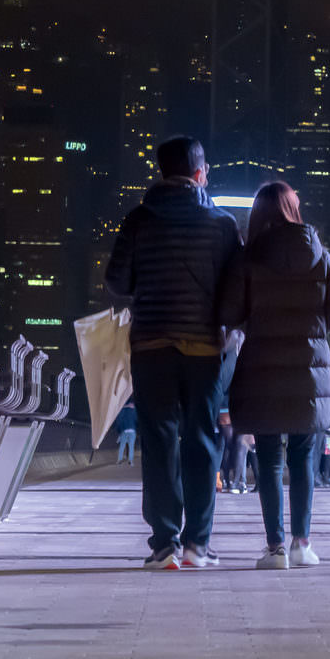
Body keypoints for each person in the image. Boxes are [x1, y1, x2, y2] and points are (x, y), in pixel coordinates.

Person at [105, 136, 240, 570]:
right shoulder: (221, 223)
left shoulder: (138, 220)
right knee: (202, 439)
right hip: (204, 348)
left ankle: (164, 542)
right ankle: (197, 545)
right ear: (201, 173)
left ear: (161, 173)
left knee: (160, 439)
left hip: (151, 343)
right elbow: (236, 291)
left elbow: (117, 282)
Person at [219, 180, 330, 569]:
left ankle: (275, 549)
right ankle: (302, 544)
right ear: (294, 209)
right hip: (310, 374)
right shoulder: (321, 255)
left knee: (271, 459)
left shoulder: (248, 257)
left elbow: (228, 312)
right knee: (304, 460)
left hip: (262, 370)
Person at [115, 399, 137, 466]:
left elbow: (119, 420)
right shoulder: (134, 410)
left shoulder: (122, 410)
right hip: (132, 430)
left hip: (124, 430)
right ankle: (130, 461)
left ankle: (119, 460)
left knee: (122, 446)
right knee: (131, 447)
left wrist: (119, 431)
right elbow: (137, 420)